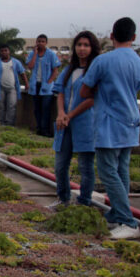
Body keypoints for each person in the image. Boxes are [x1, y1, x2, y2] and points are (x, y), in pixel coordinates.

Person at [81, 18, 140, 240]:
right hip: (130, 120)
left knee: (108, 171)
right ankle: (118, 213)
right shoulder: (139, 62)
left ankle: (128, 221)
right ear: (134, 37)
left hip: (109, 123)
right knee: (122, 170)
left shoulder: (103, 61)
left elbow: (84, 91)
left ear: (111, 36)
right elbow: (135, 88)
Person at [50, 31, 100, 210]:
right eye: (79, 45)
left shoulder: (94, 70)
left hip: (85, 124)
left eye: (86, 45)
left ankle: (84, 202)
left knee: (85, 167)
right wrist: (61, 113)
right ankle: (63, 198)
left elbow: (91, 99)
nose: (82, 49)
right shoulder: (69, 70)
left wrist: (70, 116)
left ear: (92, 48)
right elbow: (60, 92)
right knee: (60, 165)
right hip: (64, 124)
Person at [25, 34, 61, 136]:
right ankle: (39, 128)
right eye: (38, 41)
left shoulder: (51, 54)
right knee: (37, 109)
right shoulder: (32, 54)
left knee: (45, 109)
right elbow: (30, 66)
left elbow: (55, 71)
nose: (40, 43)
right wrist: (35, 54)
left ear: (46, 43)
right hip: (35, 85)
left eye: (42, 41)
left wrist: (49, 82)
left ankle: (45, 129)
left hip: (46, 86)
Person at [0, 45, 29, 126]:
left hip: (12, 88)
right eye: (2, 51)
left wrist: (27, 84)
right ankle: (2, 123)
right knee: (1, 107)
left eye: (5, 50)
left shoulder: (15, 62)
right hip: (1, 89)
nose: (4, 52)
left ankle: (10, 124)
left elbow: (22, 73)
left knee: (12, 106)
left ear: (9, 51)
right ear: (0, 52)